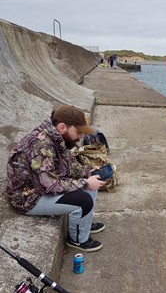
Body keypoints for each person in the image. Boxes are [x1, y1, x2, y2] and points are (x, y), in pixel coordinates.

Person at [6, 105, 106, 252]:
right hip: (28, 198)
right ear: (62, 127)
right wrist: (84, 183)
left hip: (39, 187)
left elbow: (67, 164)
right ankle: (77, 240)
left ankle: (83, 224)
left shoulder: (55, 137)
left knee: (92, 180)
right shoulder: (41, 146)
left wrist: (87, 172)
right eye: (78, 132)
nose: (81, 137)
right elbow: (48, 185)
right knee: (83, 200)